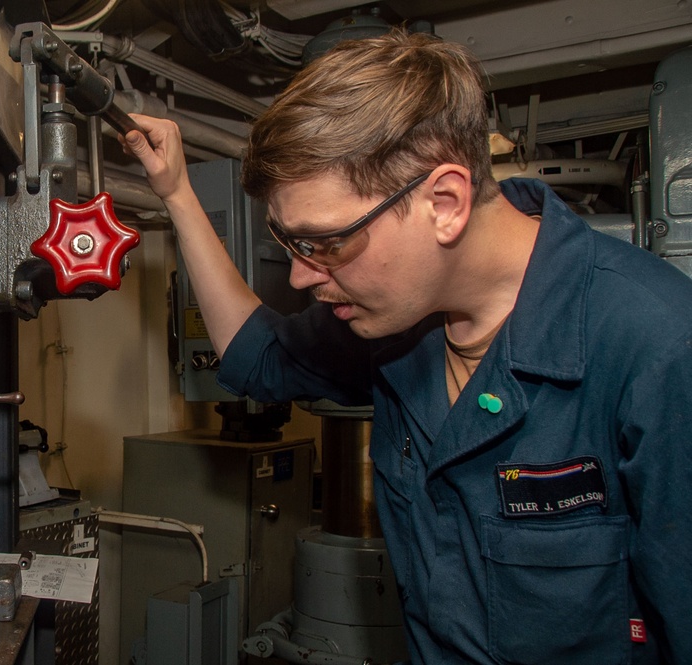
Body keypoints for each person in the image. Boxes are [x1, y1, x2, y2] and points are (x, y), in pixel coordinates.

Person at [121, 29, 692, 665]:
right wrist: (176, 194)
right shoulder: (397, 325)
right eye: (293, 246)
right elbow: (254, 355)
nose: (303, 277)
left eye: (326, 242)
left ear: (444, 203)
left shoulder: (658, 344)